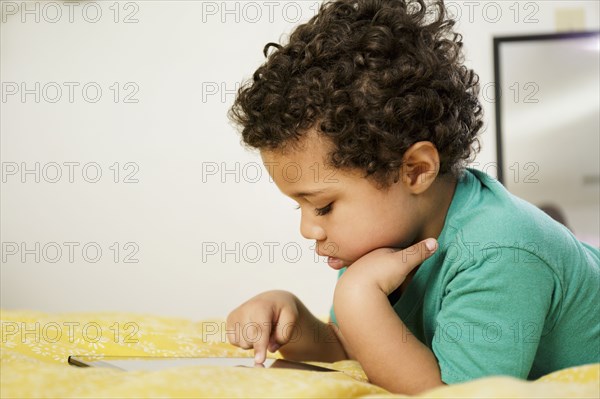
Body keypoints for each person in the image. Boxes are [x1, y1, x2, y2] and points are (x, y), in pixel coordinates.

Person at [225, 0, 600, 394]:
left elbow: (453, 394)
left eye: (323, 206)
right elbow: (367, 349)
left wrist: (358, 298)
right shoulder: (382, 239)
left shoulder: (501, 250)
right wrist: (294, 323)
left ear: (416, 170)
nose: (307, 229)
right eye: (298, 206)